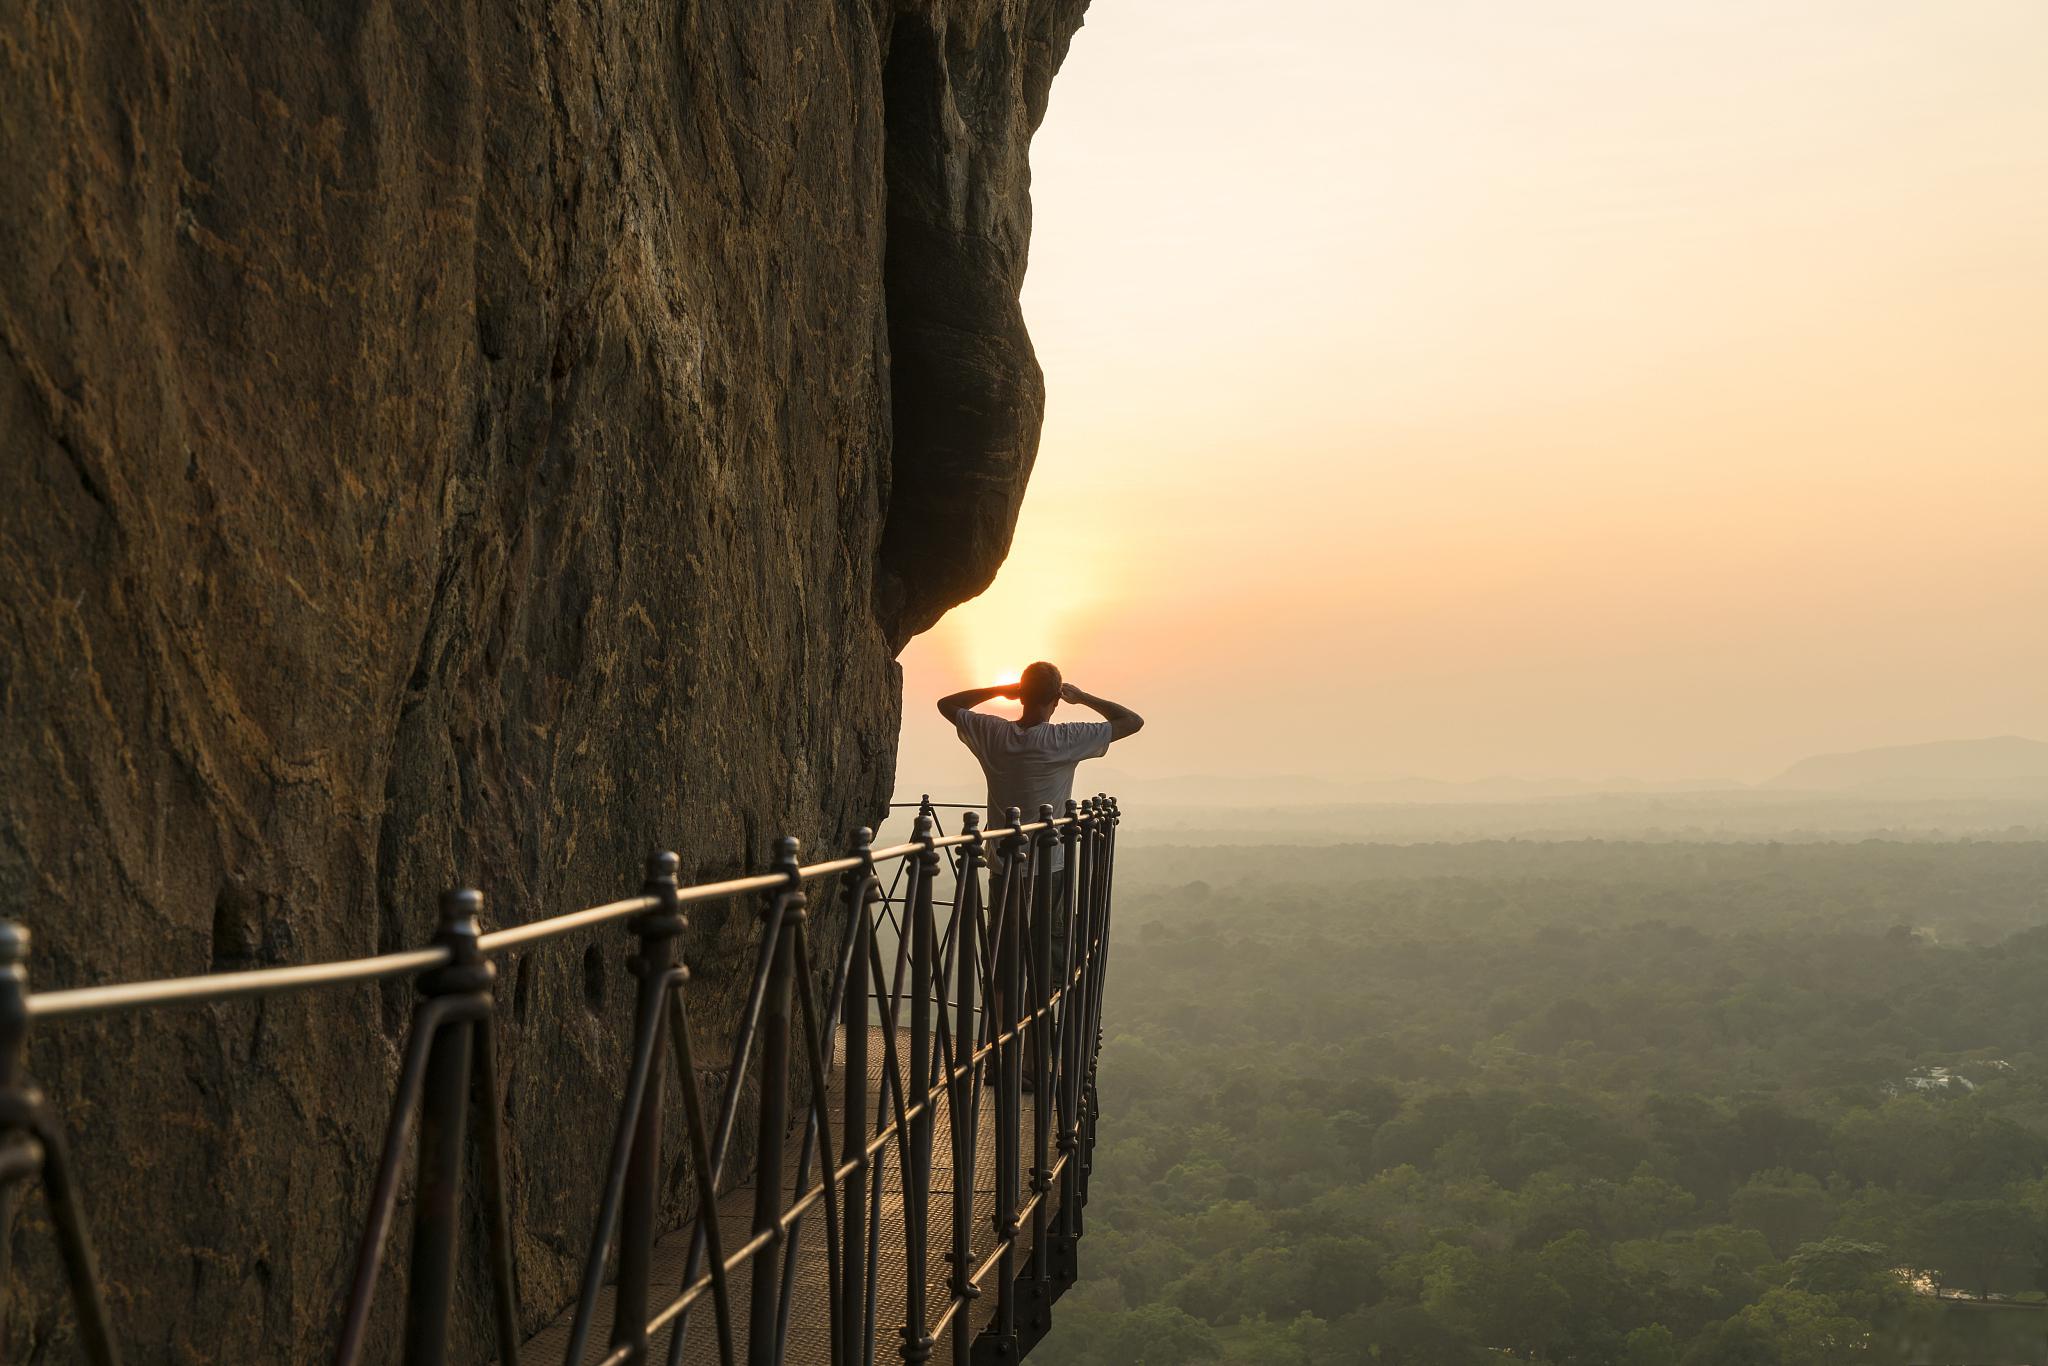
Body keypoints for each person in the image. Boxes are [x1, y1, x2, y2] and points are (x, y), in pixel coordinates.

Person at [936, 661, 1144, 854]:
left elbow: (946, 704)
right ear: (1056, 701)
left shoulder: (992, 733)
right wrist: (1083, 698)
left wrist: (999, 690)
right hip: (1048, 861)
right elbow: (1132, 721)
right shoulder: (1065, 739)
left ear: (1021, 696)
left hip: (1002, 860)